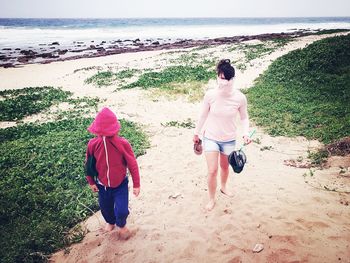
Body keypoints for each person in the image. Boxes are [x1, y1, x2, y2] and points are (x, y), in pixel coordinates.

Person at [193, 59, 252, 211]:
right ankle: (211, 199)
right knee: (212, 170)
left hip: (229, 139)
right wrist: (196, 133)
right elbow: (203, 116)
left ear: (232, 79)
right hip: (211, 137)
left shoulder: (240, 97)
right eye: (220, 77)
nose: (222, 81)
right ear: (217, 77)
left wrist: (246, 133)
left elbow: (244, 118)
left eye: (226, 78)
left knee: (224, 167)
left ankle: (224, 186)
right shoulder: (210, 95)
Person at [85, 107, 140, 239]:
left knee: (122, 210)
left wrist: (136, 184)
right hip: (102, 185)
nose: (105, 136)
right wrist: (91, 181)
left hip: (120, 184)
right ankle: (110, 222)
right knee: (105, 209)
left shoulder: (122, 144)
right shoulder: (92, 144)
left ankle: (121, 225)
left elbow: (132, 163)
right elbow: (89, 164)